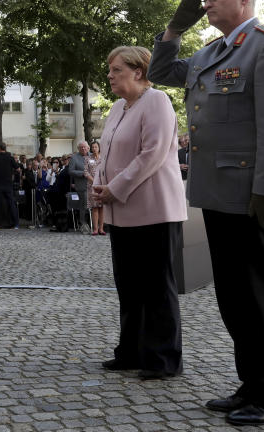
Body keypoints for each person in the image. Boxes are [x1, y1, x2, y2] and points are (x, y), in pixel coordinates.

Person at [148, 0, 264, 426]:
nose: (208, 3)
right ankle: (251, 385)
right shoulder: (211, 51)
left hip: (256, 196)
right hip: (218, 195)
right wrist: (175, 29)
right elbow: (160, 71)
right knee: (236, 298)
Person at [93, 46, 187, 381]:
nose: (110, 76)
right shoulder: (118, 107)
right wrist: (98, 184)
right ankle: (131, 351)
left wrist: (113, 187)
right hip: (122, 211)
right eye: (110, 70)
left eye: (116, 70)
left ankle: (162, 358)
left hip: (154, 209)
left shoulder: (157, 100)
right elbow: (105, 155)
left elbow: (153, 153)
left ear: (138, 71)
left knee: (157, 287)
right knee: (129, 286)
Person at [0, 143, 20, 229]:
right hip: (8, 184)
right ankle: (16, 224)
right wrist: (11, 173)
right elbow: (18, 169)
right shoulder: (10, 158)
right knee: (12, 204)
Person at [68, 141, 91, 231]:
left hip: (93, 185)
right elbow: (71, 171)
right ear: (78, 149)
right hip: (82, 185)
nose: (83, 148)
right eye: (81, 147)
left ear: (88, 148)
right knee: (84, 204)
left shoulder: (92, 156)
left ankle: (93, 223)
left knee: (95, 205)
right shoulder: (74, 158)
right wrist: (83, 173)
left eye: (85, 147)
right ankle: (83, 223)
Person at [86, 141, 105, 235]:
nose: (94, 149)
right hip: (92, 186)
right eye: (92, 147)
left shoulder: (103, 158)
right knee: (95, 207)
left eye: (96, 147)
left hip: (102, 185)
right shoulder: (88, 158)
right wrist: (94, 181)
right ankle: (95, 229)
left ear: (99, 148)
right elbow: (86, 172)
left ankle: (101, 228)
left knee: (102, 207)